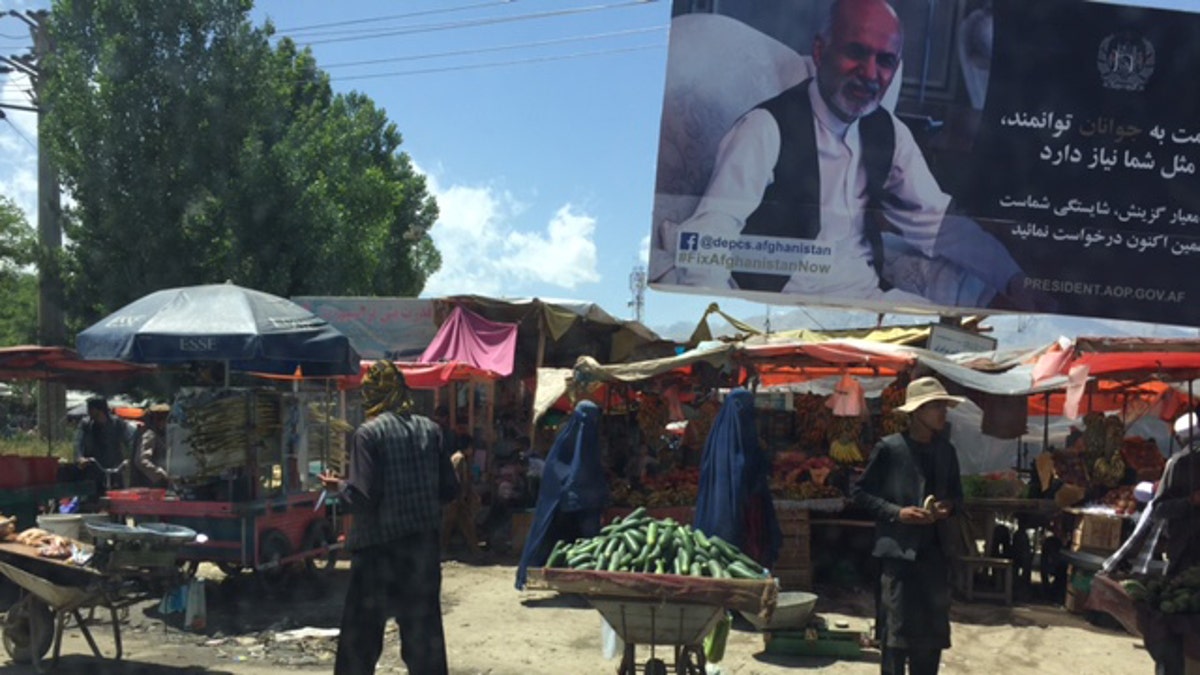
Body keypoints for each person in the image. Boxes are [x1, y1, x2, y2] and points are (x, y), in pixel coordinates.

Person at [657, 0, 1050, 311]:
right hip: (780, 305)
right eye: (856, 52)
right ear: (820, 50)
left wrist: (1014, 279)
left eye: (885, 61)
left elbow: (938, 224)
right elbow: (711, 232)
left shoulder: (889, 132)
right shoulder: (766, 128)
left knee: (954, 349)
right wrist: (718, 318)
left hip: (868, 301)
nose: (870, 73)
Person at [319, 361, 458, 675]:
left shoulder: (369, 434)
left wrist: (338, 487)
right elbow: (450, 489)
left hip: (378, 552)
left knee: (361, 638)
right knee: (424, 638)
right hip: (422, 550)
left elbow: (363, 498)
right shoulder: (431, 429)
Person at [852, 376, 965, 675]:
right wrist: (896, 513)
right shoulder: (890, 449)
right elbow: (860, 493)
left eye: (944, 406)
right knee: (895, 638)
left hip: (936, 560)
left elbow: (957, 498)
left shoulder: (946, 451)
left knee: (930, 641)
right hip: (899, 559)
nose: (943, 412)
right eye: (935, 406)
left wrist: (946, 508)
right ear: (916, 412)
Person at [1105, 413, 1200, 675]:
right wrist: (1191, 501)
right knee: (1177, 628)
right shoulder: (1181, 464)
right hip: (1186, 557)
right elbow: (1160, 509)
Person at [515, 400, 609, 590]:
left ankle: (586, 583)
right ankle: (533, 575)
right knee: (556, 539)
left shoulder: (580, 441)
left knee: (588, 546)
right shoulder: (568, 445)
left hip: (584, 505)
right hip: (564, 505)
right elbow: (557, 473)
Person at [693, 389, 782, 568]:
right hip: (745, 505)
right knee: (740, 543)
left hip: (723, 504)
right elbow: (745, 469)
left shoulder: (718, 436)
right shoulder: (743, 435)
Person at [74, 396, 135, 495]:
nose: (88, 412)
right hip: (94, 466)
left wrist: (129, 458)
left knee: (119, 494)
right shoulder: (86, 424)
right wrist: (80, 457)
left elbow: (130, 439)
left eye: (90, 409)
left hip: (115, 466)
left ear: (99, 410)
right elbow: (78, 441)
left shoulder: (117, 423)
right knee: (92, 498)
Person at [442, 442, 482, 557]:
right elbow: (458, 478)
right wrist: (461, 495)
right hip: (456, 497)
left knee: (464, 523)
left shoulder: (457, 457)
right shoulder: (460, 459)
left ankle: (475, 550)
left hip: (456, 496)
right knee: (449, 524)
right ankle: (443, 549)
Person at [134, 403, 171, 487]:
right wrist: (160, 473)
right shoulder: (150, 434)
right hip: (152, 486)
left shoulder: (158, 434)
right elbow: (141, 461)